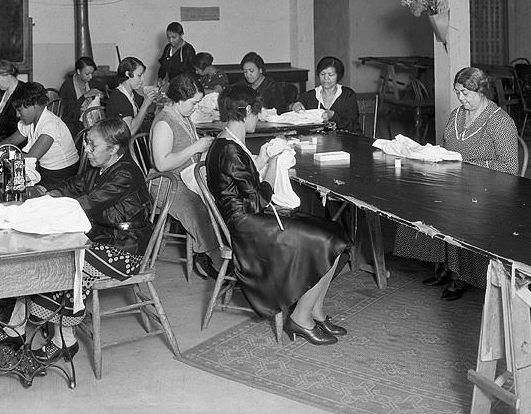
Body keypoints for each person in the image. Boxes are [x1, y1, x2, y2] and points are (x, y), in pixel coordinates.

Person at [0, 118, 153, 362]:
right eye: (87, 143)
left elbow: (89, 203)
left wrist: (45, 208)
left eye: (92, 145)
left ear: (114, 149)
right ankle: (17, 327)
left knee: (64, 260)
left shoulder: (126, 173)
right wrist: (51, 194)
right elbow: (74, 185)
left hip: (125, 249)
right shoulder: (101, 165)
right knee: (49, 254)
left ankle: (63, 339)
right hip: (102, 238)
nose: (86, 149)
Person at [206, 85, 353, 345]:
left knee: (335, 232)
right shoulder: (230, 149)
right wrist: (273, 164)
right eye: (257, 114)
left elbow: (241, 182)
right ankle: (301, 319)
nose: (258, 119)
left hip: (249, 218)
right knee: (326, 240)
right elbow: (259, 199)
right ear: (248, 111)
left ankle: (315, 311)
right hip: (248, 226)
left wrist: (261, 159)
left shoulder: (227, 142)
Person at [394, 67, 519, 301]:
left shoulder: (500, 122)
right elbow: (445, 145)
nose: (461, 98)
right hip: (455, 180)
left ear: (481, 91)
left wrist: (469, 165)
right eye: (457, 92)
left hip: (486, 189)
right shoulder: (456, 115)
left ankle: (461, 275)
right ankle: (443, 264)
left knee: (462, 210)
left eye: (466, 93)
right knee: (420, 198)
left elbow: (510, 167)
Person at [150, 73, 219, 279]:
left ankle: (212, 252)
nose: (195, 107)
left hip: (186, 176)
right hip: (166, 182)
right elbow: (162, 163)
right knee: (198, 208)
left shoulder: (183, 115)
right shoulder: (164, 122)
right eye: (193, 103)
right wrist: (195, 147)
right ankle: (211, 257)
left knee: (219, 199)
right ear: (179, 100)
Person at [0, 82, 79, 189]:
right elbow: (11, 141)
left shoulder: (50, 125)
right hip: (44, 170)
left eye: (19, 110)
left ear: (34, 105)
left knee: (16, 186)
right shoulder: (30, 121)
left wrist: (3, 156)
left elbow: (30, 158)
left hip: (61, 176)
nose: (17, 115)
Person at [291, 56, 361, 132]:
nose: (326, 78)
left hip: (345, 141)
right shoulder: (309, 96)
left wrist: (333, 116)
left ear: (338, 76)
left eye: (331, 75)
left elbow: (353, 126)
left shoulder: (347, 95)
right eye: (322, 74)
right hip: (316, 141)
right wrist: (293, 106)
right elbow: (285, 113)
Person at [105, 57, 159, 136]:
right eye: (139, 75)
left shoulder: (133, 94)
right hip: (121, 143)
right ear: (128, 74)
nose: (142, 79)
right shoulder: (119, 98)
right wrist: (145, 104)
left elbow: (149, 111)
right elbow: (130, 131)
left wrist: (155, 99)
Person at [59, 56, 98, 137]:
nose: (90, 77)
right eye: (87, 74)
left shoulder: (92, 83)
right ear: (78, 71)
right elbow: (67, 112)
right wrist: (84, 96)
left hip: (90, 119)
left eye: (92, 73)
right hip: (73, 122)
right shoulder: (68, 86)